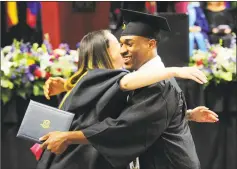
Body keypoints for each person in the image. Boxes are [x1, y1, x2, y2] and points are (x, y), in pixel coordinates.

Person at [38, 9, 218, 169]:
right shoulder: (144, 78)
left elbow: (125, 127)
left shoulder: (158, 84)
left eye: (129, 44)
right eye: (121, 44)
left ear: (151, 44)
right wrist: (185, 114)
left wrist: (68, 137)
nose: (123, 50)